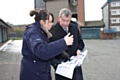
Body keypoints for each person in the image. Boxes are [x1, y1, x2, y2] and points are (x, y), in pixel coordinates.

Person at [20, 9, 74, 80]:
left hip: (40, 72)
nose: (52, 24)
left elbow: (47, 52)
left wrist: (58, 63)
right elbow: (41, 51)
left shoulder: (42, 32)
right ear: (42, 22)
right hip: (34, 74)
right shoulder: (33, 33)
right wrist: (63, 42)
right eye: (50, 22)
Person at [49, 8, 85, 80]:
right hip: (62, 70)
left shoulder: (74, 27)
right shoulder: (52, 31)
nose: (65, 23)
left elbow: (81, 42)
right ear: (59, 18)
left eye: (67, 21)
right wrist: (56, 64)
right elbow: (49, 50)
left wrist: (79, 49)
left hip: (75, 68)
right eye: (63, 20)